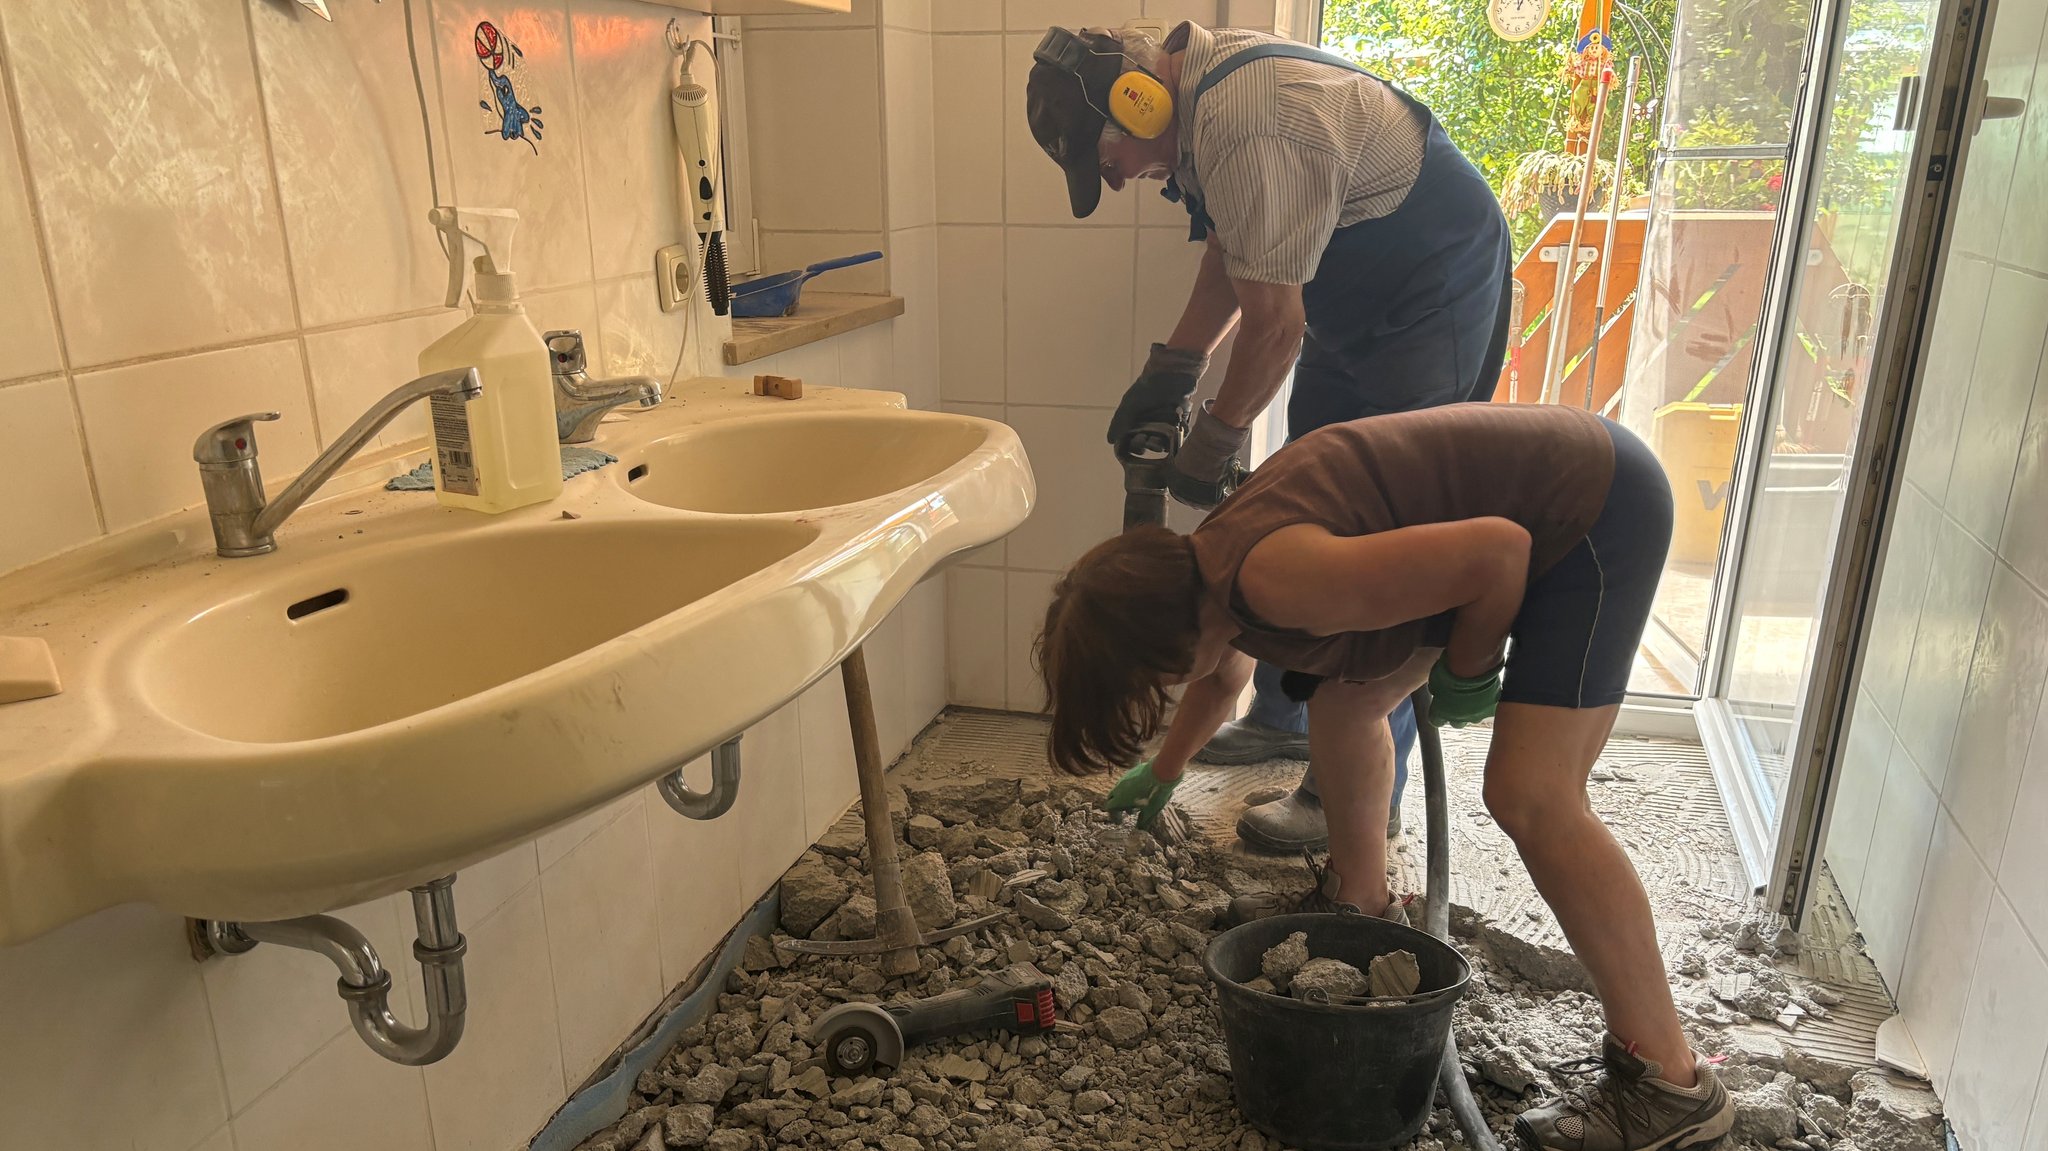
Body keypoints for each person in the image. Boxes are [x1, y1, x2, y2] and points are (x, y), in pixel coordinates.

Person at [1034, 403, 1732, 1151]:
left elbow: (1499, 553)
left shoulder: (1276, 577)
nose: (1164, 691)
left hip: (1594, 510)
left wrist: (1470, 666)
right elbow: (1219, 673)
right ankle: (1362, 911)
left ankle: (1669, 1083)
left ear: (1168, 646)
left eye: (1151, 681)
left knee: (1531, 794)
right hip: (1553, 495)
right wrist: (1164, 772)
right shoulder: (1208, 567)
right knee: (1346, 702)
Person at [1024, 20, 1514, 855]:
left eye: (1114, 164)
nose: (1125, 181)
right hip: (1353, 302)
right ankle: (1286, 720)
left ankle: (1349, 793)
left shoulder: (1249, 123)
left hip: (1431, 293)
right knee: (1314, 493)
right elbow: (1236, 246)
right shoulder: (1209, 114)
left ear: (1136, 103)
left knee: (1375, 533)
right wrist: (1175, 369)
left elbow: (1275, 326)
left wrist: (1215, 436)